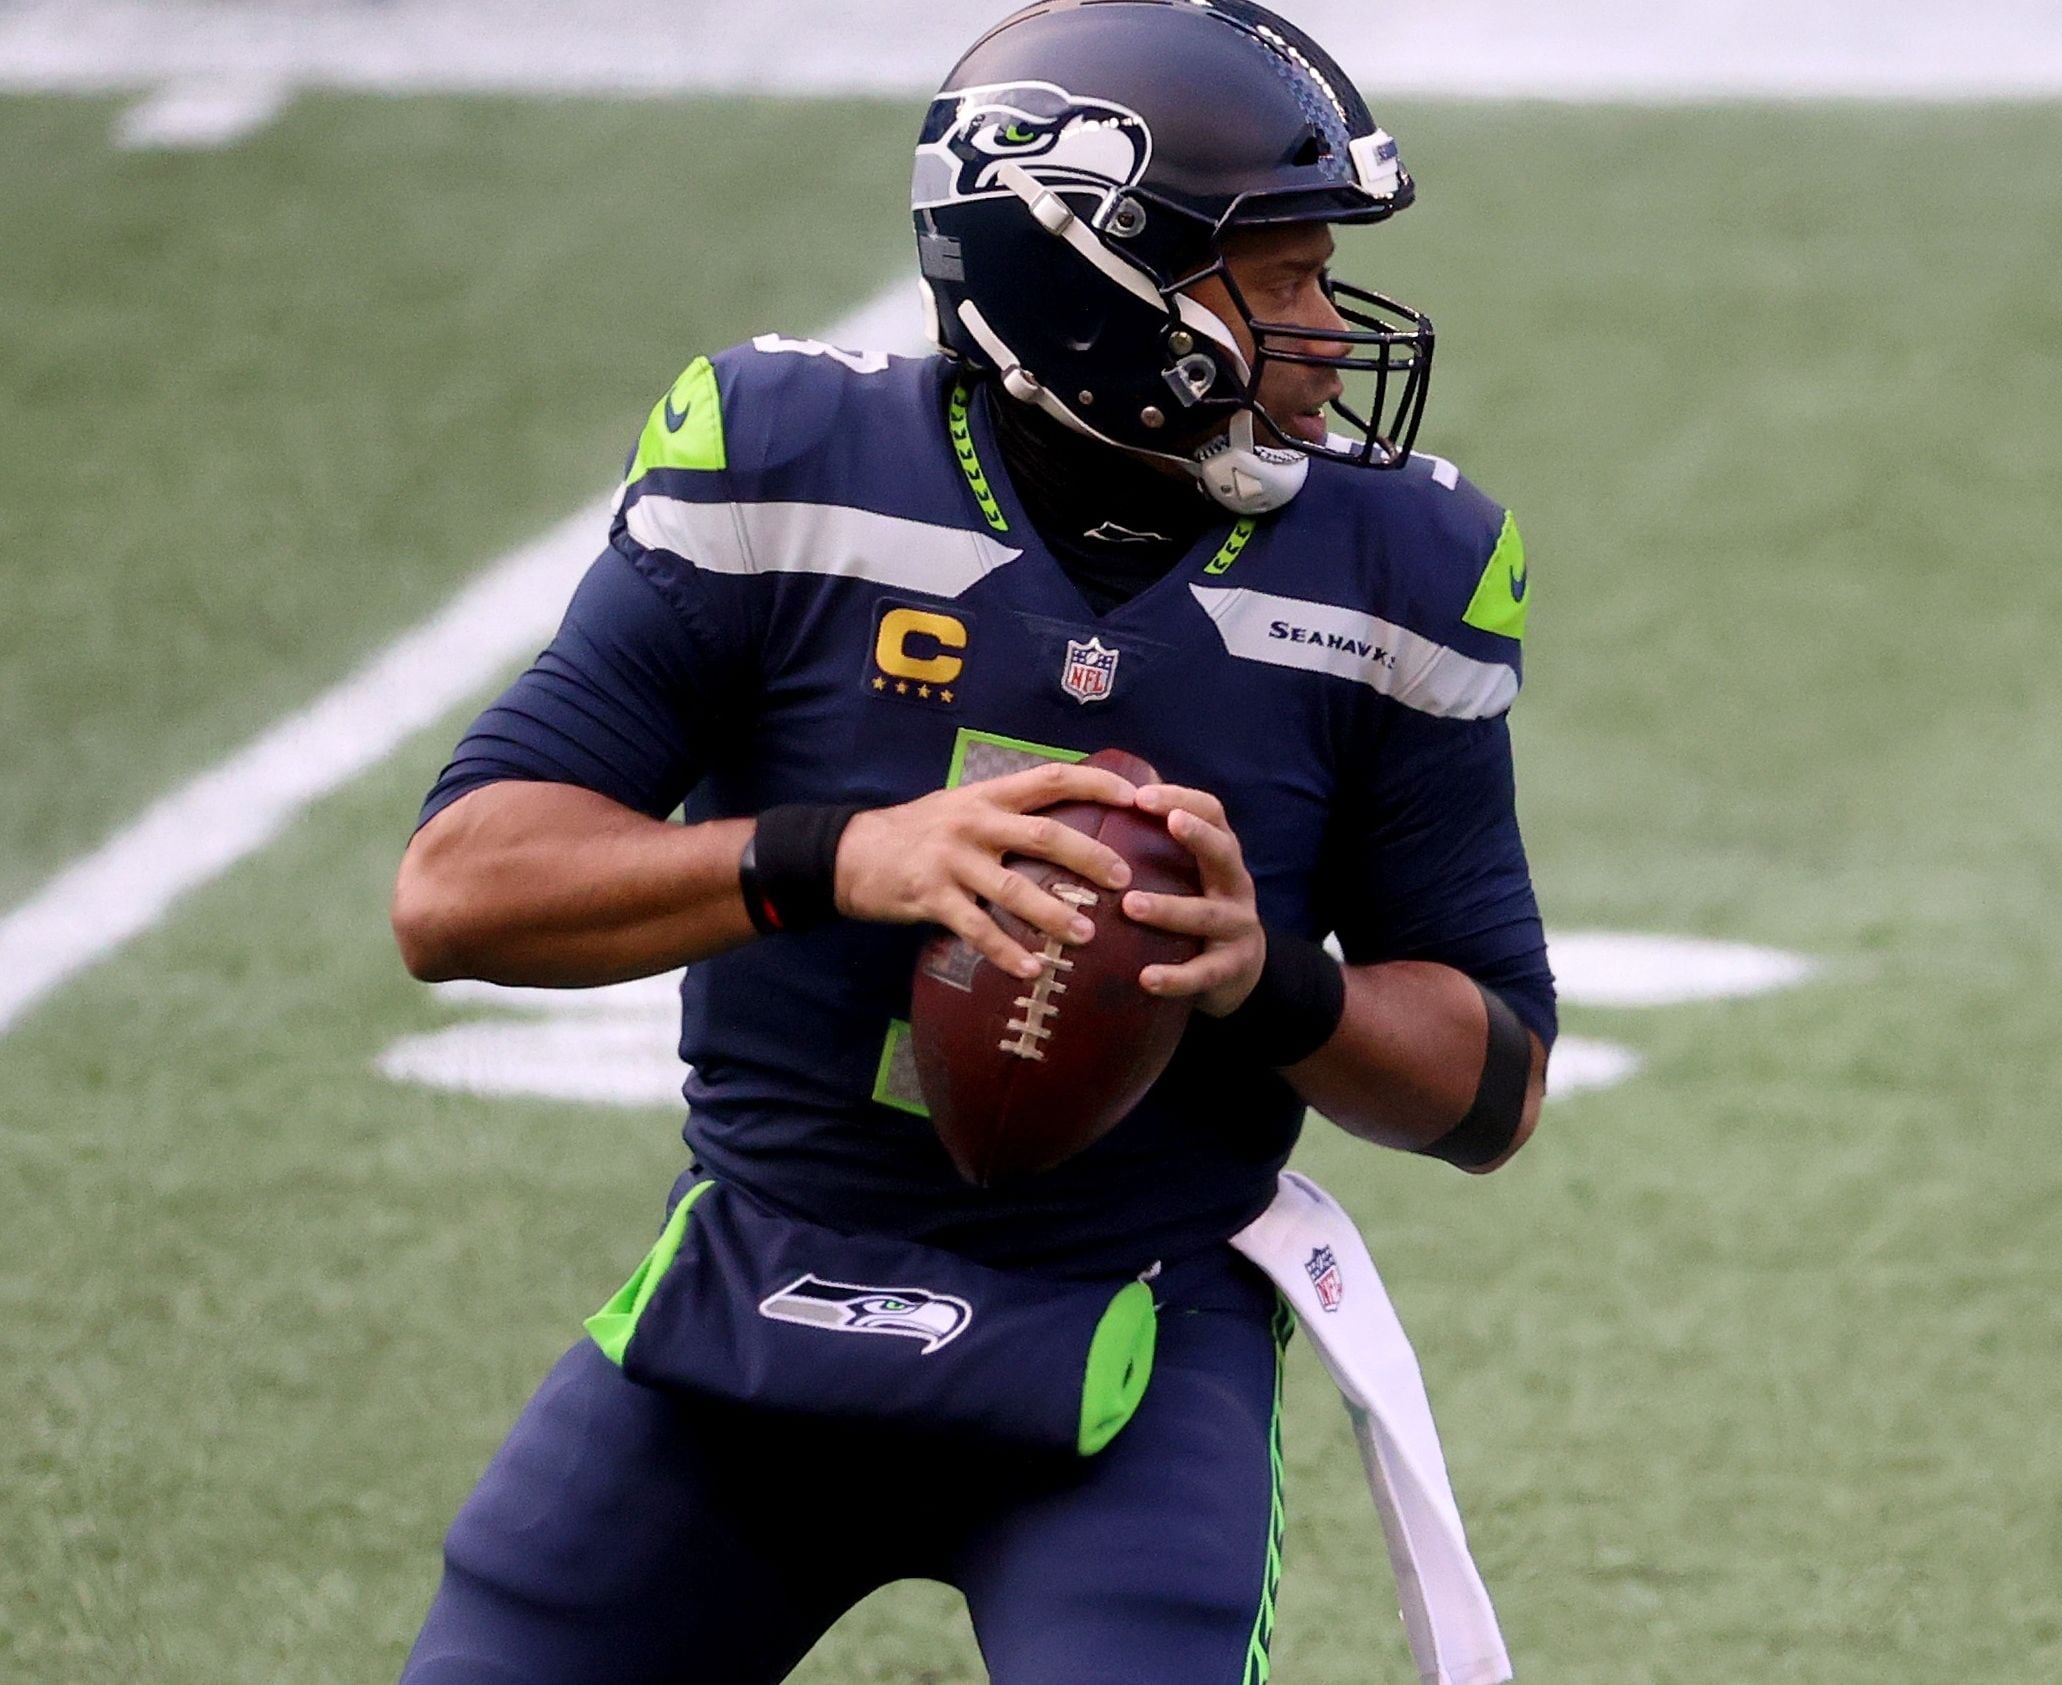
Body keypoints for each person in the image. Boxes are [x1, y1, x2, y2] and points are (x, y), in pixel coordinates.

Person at [388, 2, 1555, 1680]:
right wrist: (840, 856)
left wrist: (1268, 981)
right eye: (1277, 279)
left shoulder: (1403, 568)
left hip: (1130, 1332)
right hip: (751, 1295)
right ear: (1093, 275)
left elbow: (1496, 1086)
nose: (1322, 334)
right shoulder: (787, 460)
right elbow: (459, 888)